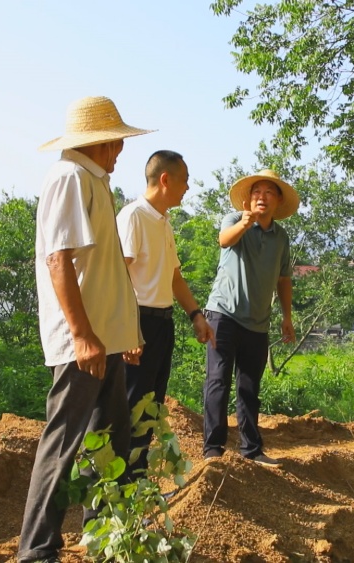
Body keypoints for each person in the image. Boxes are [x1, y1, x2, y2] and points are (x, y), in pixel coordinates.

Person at [16, 95, 154, 563]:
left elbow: (105, 271)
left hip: (104, 342)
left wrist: (123, 332)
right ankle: (37, 551)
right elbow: (59, 259)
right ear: (97, 141)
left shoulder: (92, 182)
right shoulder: (69, 178)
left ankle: (103, 538)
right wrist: (82, 335)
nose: (119, 152)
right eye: (115, 142)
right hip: (84, 345)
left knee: (109, 442)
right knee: (63, 444)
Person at [116, 150, 214, 478]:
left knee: (150, 410)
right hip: (137, 324)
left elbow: (174, 278)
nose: (188, 187)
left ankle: (138, 488)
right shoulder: (133, 217)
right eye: (184, 180)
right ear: (165, 179)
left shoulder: (163, 222)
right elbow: (119, 278)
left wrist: (196, 315)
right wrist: (128, 330)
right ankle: (118, 496)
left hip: (162, 323)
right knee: (130, 412)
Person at [202, 169, 299, 468]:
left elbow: (284, 279)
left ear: (278, 200)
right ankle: (213, 450)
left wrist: (286, 316)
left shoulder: (281, 237)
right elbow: (223, 241)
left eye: (269, 192)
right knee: (217, 380)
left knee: (249, 387)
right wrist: (245, 223)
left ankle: (252, 449)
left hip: (258, 322)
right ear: (249, 197)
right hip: (223, 314)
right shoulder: (234, 220)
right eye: (256, 191)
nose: (261, 196)